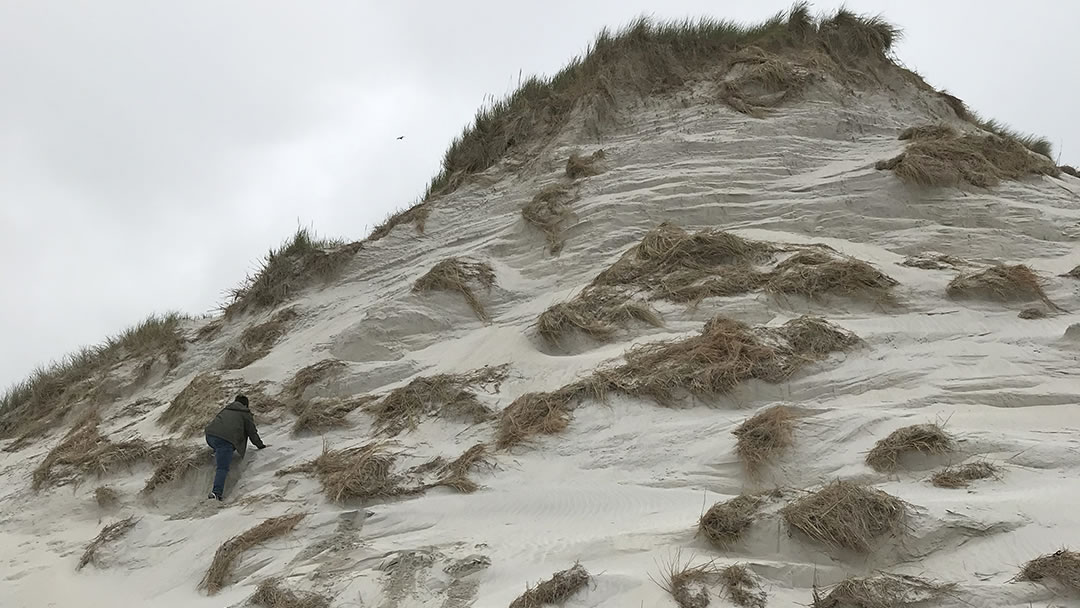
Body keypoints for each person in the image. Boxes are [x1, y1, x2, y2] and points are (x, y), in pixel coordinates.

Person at [203, 394, 266, 501]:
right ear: (246, 405)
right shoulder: (245, 414)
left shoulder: (226, 409)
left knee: (220, 451)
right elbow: (252, 433)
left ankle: (217, 454)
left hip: (210, 436)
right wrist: (260, 445)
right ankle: (216, 493)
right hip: (225, 440)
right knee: (222, 468)